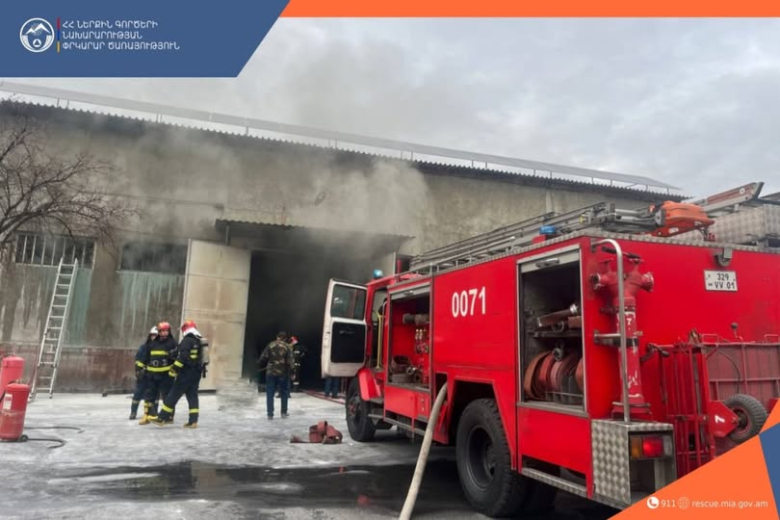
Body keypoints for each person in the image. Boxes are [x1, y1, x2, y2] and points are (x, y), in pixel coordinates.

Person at [150, 320, 206, 428]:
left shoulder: (187, 340)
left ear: (185, 329)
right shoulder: (198, 340)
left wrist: (174, 369)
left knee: (173, 394)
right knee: (192, 396)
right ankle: (193, 421)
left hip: (186, 373)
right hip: (196, 373)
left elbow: (182, 357)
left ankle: (162, 418)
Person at [138, 321, 178, 425]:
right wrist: (140, 369)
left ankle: (169, 416)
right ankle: (147, 415)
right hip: (152, 375)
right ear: (159, 332)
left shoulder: (173, 343)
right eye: (162, 331)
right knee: (149, 396)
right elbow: (146, 358)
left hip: (166, 376)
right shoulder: (152, 344)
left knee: (167, 396)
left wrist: (173, 358)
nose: (165, 333)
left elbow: (178, 358)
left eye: (166, 331)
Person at [258, 331, 293, 419]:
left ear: (277, 336)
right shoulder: (287, 346)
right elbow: (290, 362)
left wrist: (260, 365)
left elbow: (263, 358)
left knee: (270, 393)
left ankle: (270, 414)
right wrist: (292, 372)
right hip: (283, 372)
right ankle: (283, 412)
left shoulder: (271, 345)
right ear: (285, 338)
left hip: (271, 372)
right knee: (284, 392)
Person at [130, 326, 157, 420]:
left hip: (154, 376)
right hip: (144, 375)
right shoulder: (144, 347)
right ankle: (133, 412)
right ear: (150, 336)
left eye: (156, 335)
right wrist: (138, 371)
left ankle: (153, 412)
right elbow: (138, 360)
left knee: (154, 395)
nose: (154, 337)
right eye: (153, 335)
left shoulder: (160, 348)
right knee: (138, 393)